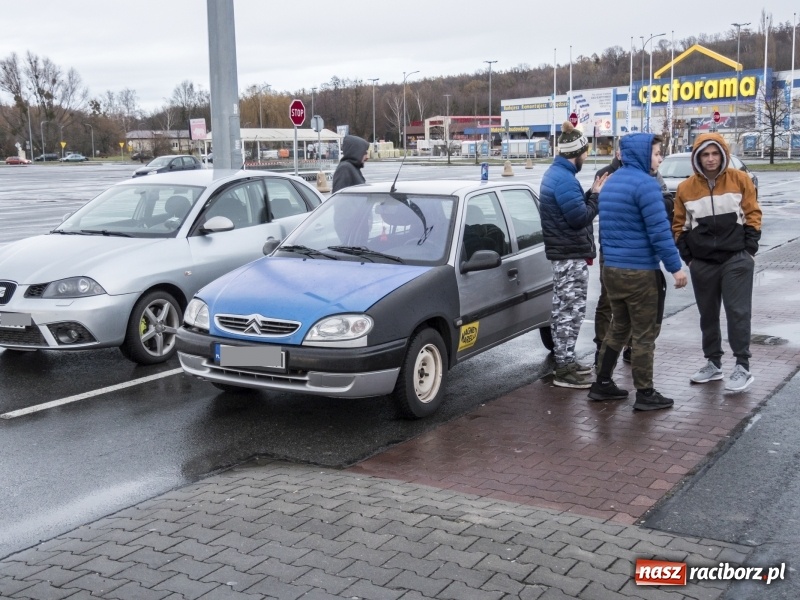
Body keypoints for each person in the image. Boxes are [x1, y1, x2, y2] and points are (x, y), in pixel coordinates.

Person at [589, 133, 688, 411]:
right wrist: (675, 267)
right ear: (644, 154)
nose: (660, 158)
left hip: (612, 269)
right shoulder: (646, 186)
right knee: (644, 334)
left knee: (619, 326)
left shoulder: (610, 182)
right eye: (657, 153)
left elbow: (607, 232)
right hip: (640, 273)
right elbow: (659, 232)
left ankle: (602, 383)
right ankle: (645, 393)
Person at [673, 133, 762, 392]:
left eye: (715, 154)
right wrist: (688, 258)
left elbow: (753, 215)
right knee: (707, 315)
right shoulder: (685, 188)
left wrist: (749, 250)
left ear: (723, 155)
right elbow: (679, 225)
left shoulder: (740, 179)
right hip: (702, 263)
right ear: (697, 157)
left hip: (736, 259)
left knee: (737, 312)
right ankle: (713, 363)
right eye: (705, 154)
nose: (710, 159)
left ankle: (742, 366)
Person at [539, 121, 606, 388]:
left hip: (564, 253)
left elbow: (573, 208)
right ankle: (565, 370)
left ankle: (565, 360)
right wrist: (596, 198)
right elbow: (579, 217)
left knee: (564, 309)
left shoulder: (559, 175)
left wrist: (590, 193)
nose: (586, 157)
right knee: (570, 311)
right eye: (585, 153)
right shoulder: (564, 179)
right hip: (569, 256)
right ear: (576, 153)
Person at [593, 150, 674, 366]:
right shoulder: (606, 174)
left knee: (631, 314)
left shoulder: (650, 176)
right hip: (614, 251)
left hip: (637, 253)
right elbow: (594, 205)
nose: (657, 158)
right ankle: (603, 348)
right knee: (609, 303)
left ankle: (624, 353)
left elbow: (667, 204)